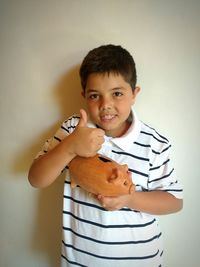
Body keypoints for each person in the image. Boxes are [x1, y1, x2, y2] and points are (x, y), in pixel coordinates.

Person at [28, 44, 183, 267]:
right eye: (94, 96)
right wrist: (70, 147)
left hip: (139, 261)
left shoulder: (154, 143)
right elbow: (36, 178)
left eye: (117, 93)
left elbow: (174, 201)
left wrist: (129, 199)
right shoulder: (74, 130)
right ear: (83, 96)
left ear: (134, 94)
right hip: (80, 261)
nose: (106, 105)